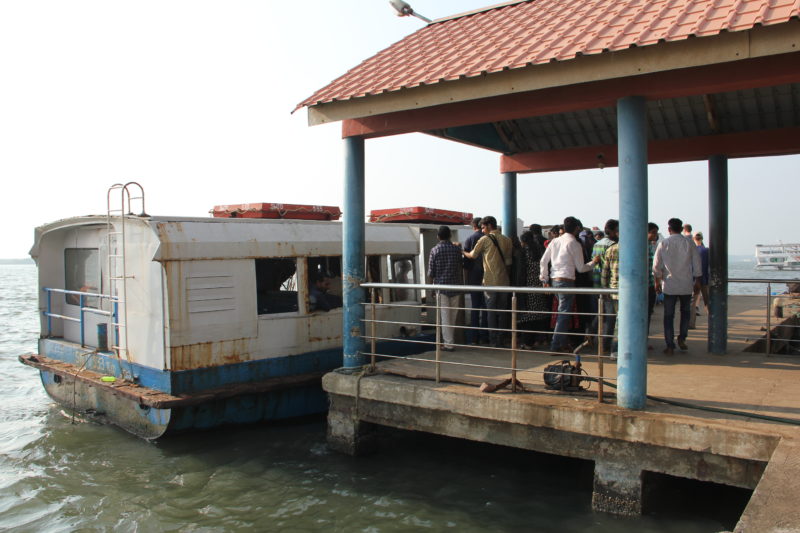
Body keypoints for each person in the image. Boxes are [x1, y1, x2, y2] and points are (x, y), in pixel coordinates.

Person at [539, 216, 599, 352]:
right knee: (564, 314)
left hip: (555, 279)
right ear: (577, 228)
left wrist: (545, 280)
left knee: (562, 313)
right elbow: (581, 268)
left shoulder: (554, 241)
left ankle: (561, 342)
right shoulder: (575, 244)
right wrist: (594, 262)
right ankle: (556, 345)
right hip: (567, 280)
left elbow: (543, 261)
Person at [462, 216, 513, 347]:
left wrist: (462, 251)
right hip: (504, 282)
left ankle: (493, 340)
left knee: (490, 312)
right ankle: (501, 339)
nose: (482, 230)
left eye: (483, 227)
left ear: (489, 226)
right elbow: (508, 262)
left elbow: (472, 255)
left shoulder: (484, 240)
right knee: (502, 312)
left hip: (490, 281)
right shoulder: (507, 240)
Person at [653, 218, 701, 355]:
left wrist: (657, 282)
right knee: (685, 313)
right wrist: (697, 280)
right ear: (681, 229)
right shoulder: (689, 243)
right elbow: (697, 263)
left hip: (669, 285)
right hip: (686, 284)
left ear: (669, 229)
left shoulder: (664, 243)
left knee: (668, 316)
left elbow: (656, 266)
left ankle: (669, 344)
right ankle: (682, 338)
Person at [427, 225, 462, 351]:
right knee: (452, 317)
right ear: (450, 236)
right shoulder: (456, 249)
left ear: (438, 236)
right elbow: (461, 265)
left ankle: (449, 344)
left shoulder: (435, 250)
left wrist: (431, 289)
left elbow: (431, 272)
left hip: (441, 288)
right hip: (455, 287)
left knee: (445, 317)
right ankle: (449, 342)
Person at [517, 230, 549, 348]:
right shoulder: (539, 250)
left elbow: (520, 272)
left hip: (527, 286)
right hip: (538, 284)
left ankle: (527, 342)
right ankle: (538, 339)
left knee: (527, 316)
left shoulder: (524, 252)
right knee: (537, 315)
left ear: (523, 241)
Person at [591, 219, 619, 352]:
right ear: (614, 231)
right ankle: (606, 345)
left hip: (597, 283)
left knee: (601, 312)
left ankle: (590, 334)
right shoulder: (613, 246)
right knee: (610, 317)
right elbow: (608, 269)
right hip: (609, 286)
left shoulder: (597, 244)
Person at [463, 217, 488, 345]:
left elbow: (466, 263)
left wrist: (467, 280)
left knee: (475, 307)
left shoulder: (470, 239)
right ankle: (485, 337)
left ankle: (474, 338)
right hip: (488, 277)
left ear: (474, 226)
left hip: (474, 277)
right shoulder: (488, 238)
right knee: (486, 308)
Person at [600, 237, 620, 359]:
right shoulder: (638, 249)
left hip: (613, 290)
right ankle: (615, 349)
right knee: (620, 323)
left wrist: (604, 288)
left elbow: (605, 272)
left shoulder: (611, 249)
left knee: (612, 321)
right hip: (630, 292)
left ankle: (607, 347)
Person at [689, 231, 710, 329]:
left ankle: (691, 323)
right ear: (702, 238)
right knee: (708, 301)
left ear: (694, 239)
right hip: (704, 279)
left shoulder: (691, 250)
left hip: (694, 279)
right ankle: (712, 321)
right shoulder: (707, 251)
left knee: (693, 303)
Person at [646, 222, 660, 343]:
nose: (655, 235)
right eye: (653, 232)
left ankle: (644, 338)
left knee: (648, 313)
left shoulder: (651, 246)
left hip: (650, 285)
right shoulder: (643, 247)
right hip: (644, 286)